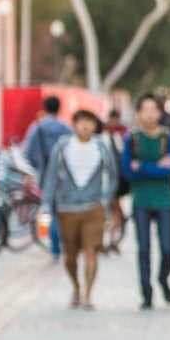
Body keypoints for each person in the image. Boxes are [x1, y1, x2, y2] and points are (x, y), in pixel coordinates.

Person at [42, 109, 118, 310]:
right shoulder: (62, 147)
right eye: (81, 122)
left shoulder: (102, 147)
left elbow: (112, 175)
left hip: (93, 207)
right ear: (74, 124)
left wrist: (104, 199)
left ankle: (87, 294)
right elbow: (51, 177)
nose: (85, 126)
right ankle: (76, 286)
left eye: (89, 122)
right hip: (66, 207)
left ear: (94, 125)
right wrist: (45, 204)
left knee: (91, 251)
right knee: (70, 255)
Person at [120, 93, 170, 309]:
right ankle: (146, 292)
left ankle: (163, 279)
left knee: (167, 248)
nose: (148, 115)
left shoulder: (168, 138)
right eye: (144, 110)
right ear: (138, 114)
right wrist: (156, 167)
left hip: (166, 201)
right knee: (143, 249)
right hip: (141, 201)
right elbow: (128, 172)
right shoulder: (132, 139)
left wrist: (142, 166)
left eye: (153, 110)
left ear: (160, 113)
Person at [23, 96, 73, 260]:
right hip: (66, 178)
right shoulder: (66, 129)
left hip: (45, 175)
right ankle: (67, 245)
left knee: (49, 211)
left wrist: (38, 165)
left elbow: (28, 152)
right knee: (64, 212)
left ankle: (55, 249)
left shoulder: (37, 128)